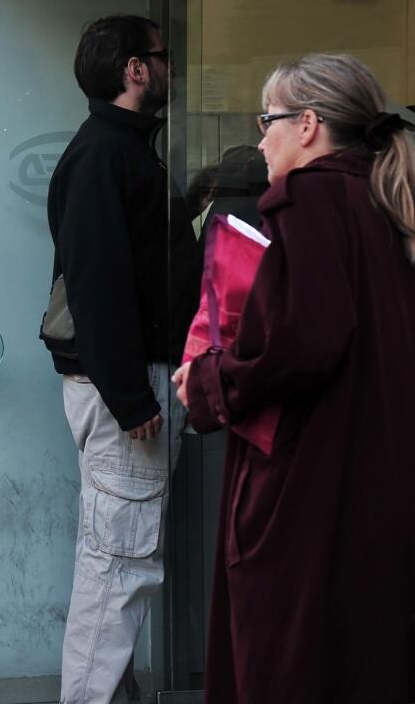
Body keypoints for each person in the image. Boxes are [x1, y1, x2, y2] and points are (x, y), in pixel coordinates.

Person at [174, 54, 415, 703]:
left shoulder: (309, 199)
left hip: (310, 485)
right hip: (378, 479)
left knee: (287, 664)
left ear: (307, 124)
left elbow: (304, 340)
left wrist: (206, 381)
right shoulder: (386, 200)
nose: (260, 138)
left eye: (269, 120)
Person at [44, 14, 199, 703]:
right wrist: (132, 396)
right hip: (125, 392)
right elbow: (98, 280)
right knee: (117, 569)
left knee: (118, 561)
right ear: (136, 69)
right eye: (165, 57)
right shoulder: (106, 153)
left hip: (127, 384)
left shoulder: (121, 149)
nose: (174, 68)